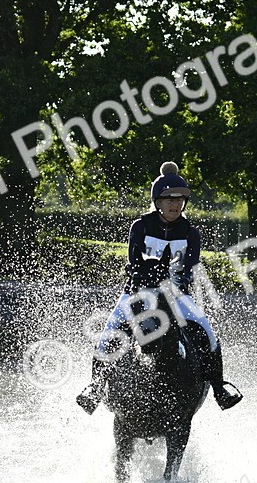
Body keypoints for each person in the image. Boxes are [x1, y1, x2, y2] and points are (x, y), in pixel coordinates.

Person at [77, 161, 243, 414]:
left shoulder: (191, 233)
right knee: (109, 332)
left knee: (208, 334)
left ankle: (220, 388)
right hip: (138, 292)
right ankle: (96, 386)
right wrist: (145, 280)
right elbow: (133, 263)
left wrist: (176, 284)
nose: (175, 204)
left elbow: (189, 268)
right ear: (157, 201)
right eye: (169, 199)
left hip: (176, 295)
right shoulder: (141, 226)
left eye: (179, 200)